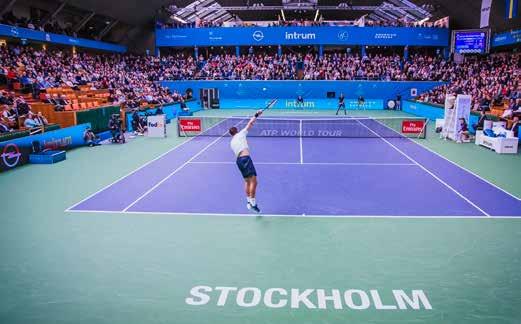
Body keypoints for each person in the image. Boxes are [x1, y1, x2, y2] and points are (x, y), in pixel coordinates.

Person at [229, 110, 263, 213]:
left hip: (239, 161)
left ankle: (248, 201)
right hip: (245, 159)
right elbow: (250, 123)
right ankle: (253, 203)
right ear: (237, 131)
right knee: (254, 181)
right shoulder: (241, 134)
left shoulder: (231, 142)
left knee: (247, 181)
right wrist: (257, 114)